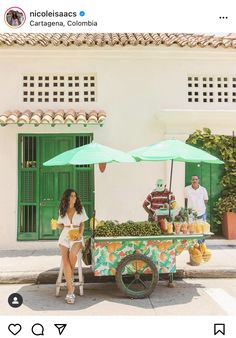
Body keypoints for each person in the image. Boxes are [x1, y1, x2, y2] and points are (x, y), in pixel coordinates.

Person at [54, 189, 88, 304]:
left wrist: (80, 234)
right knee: (65, 259)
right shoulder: (62, 210)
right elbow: (61, 225)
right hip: (65, 235)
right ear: (67, 198)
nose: (74, 198)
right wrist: (56, 225)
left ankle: (70, 276)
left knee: (72, 254)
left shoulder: (80, 209)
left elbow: (83, 224)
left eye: (75, 196)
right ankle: (70, 290)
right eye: (72, 196)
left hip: (77, 235)